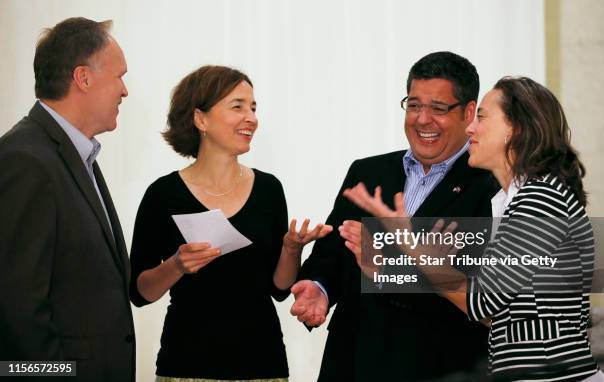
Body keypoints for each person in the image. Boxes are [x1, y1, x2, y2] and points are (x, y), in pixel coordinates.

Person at [343, 76, 604, 381]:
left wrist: (409, 244)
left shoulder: (539, 197)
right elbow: (496, 314)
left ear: (515, 128)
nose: (470, 128)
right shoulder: (516, 198)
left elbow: (482, 302)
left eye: (481, 117)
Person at [290, 52, 498, 381]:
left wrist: (387, 259)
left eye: (438, 108)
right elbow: (331, 255)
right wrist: (320, 288)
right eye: (414, 105)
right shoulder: (368, 172)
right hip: (353, 359)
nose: (422, 119)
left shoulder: (489, 185)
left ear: (468, 112)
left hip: (438, 365)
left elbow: (477, 289)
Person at [129, 65, 331, 381]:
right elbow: (140, 293)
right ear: (201, 119)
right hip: (186, 365)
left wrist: (291, 249)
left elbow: (278, 289)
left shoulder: (268, 189)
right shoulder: (163, 194)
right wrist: (177, 265)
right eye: (237, 106)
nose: (251, 117)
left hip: (262, 365)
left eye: (253, 107)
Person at [0, 18, 134, 381]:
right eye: (119, 76)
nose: (125, 90)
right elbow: (17, 309)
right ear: (83, 78)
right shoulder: (25, 160)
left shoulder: (76, 155)